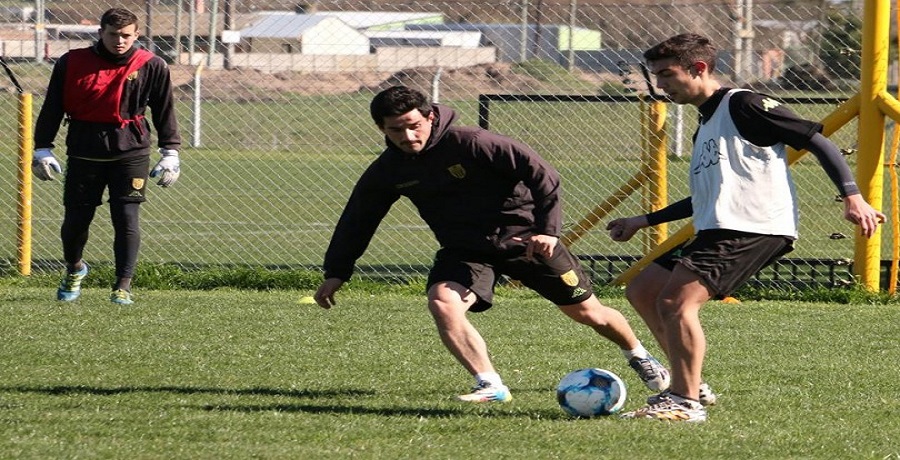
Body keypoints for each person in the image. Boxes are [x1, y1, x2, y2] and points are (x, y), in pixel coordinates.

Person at [314, 85, 670, 402]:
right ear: (382, 129)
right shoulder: (388, 170)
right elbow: (358, 219)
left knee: (587, 312)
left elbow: (542, 174)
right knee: (442, 302)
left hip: (526, 241)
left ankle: (638, 354)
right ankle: (490, 384)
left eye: (414, 125)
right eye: (396, 130)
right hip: (465, 250)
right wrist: (337, 271)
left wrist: (548, 230)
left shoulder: (473, 142)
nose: (408, 135)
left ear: (430, 115)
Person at [606, 33, 884, 422]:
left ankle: (684, 403)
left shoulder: (744, 104)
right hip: (717, 227)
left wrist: (852, 195)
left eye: (667, 74)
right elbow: (704, 198)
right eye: (656, 75)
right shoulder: (705, 125)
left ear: (698, 68)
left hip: (752, 227)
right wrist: (643, 220)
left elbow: (817, 140)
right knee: (644, 289)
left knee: (676, 303)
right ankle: (689, 383)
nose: (660, 84)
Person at [32, 7, 182, 305]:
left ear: (137, 35)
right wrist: (42, 148)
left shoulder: (152, 65)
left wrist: (171, 152)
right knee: (76, 220)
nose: (120, 41)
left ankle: (123, 284)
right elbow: (52, 106)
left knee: (126, 218)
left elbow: (164, 110)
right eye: (113, 34)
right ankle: (75, 269)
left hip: (131, 151)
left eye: (127, 35)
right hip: (84, 150)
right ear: (101, 33)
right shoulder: (72, 62)